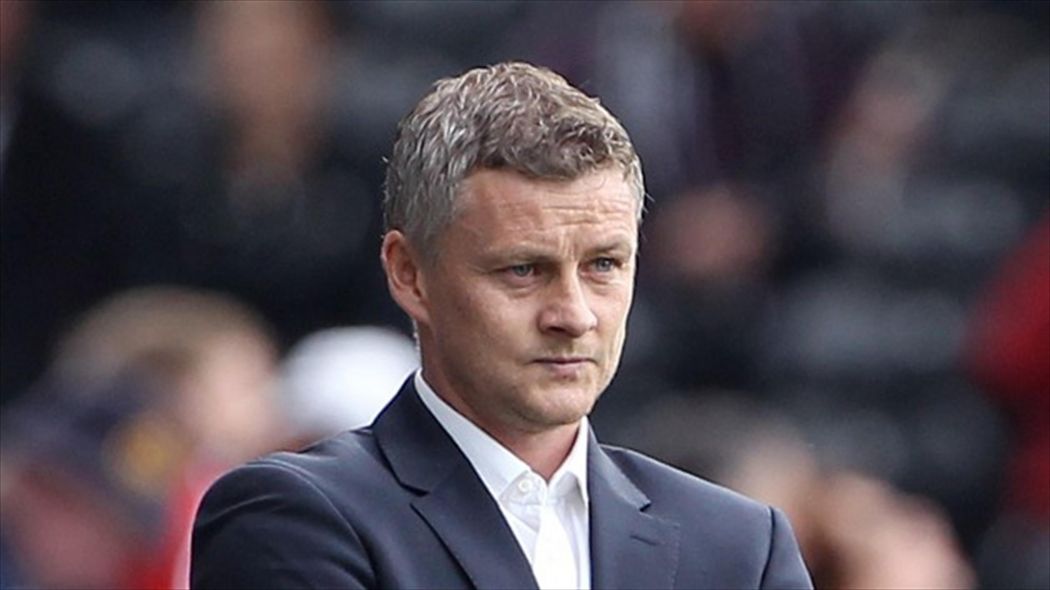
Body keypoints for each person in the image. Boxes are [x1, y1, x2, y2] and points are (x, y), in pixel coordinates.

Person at [191, 62, 812, 589]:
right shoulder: (292, 518)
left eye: (603, 265)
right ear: (409, 274)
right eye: (523, 270)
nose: (573, 314)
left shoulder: (741, 547)